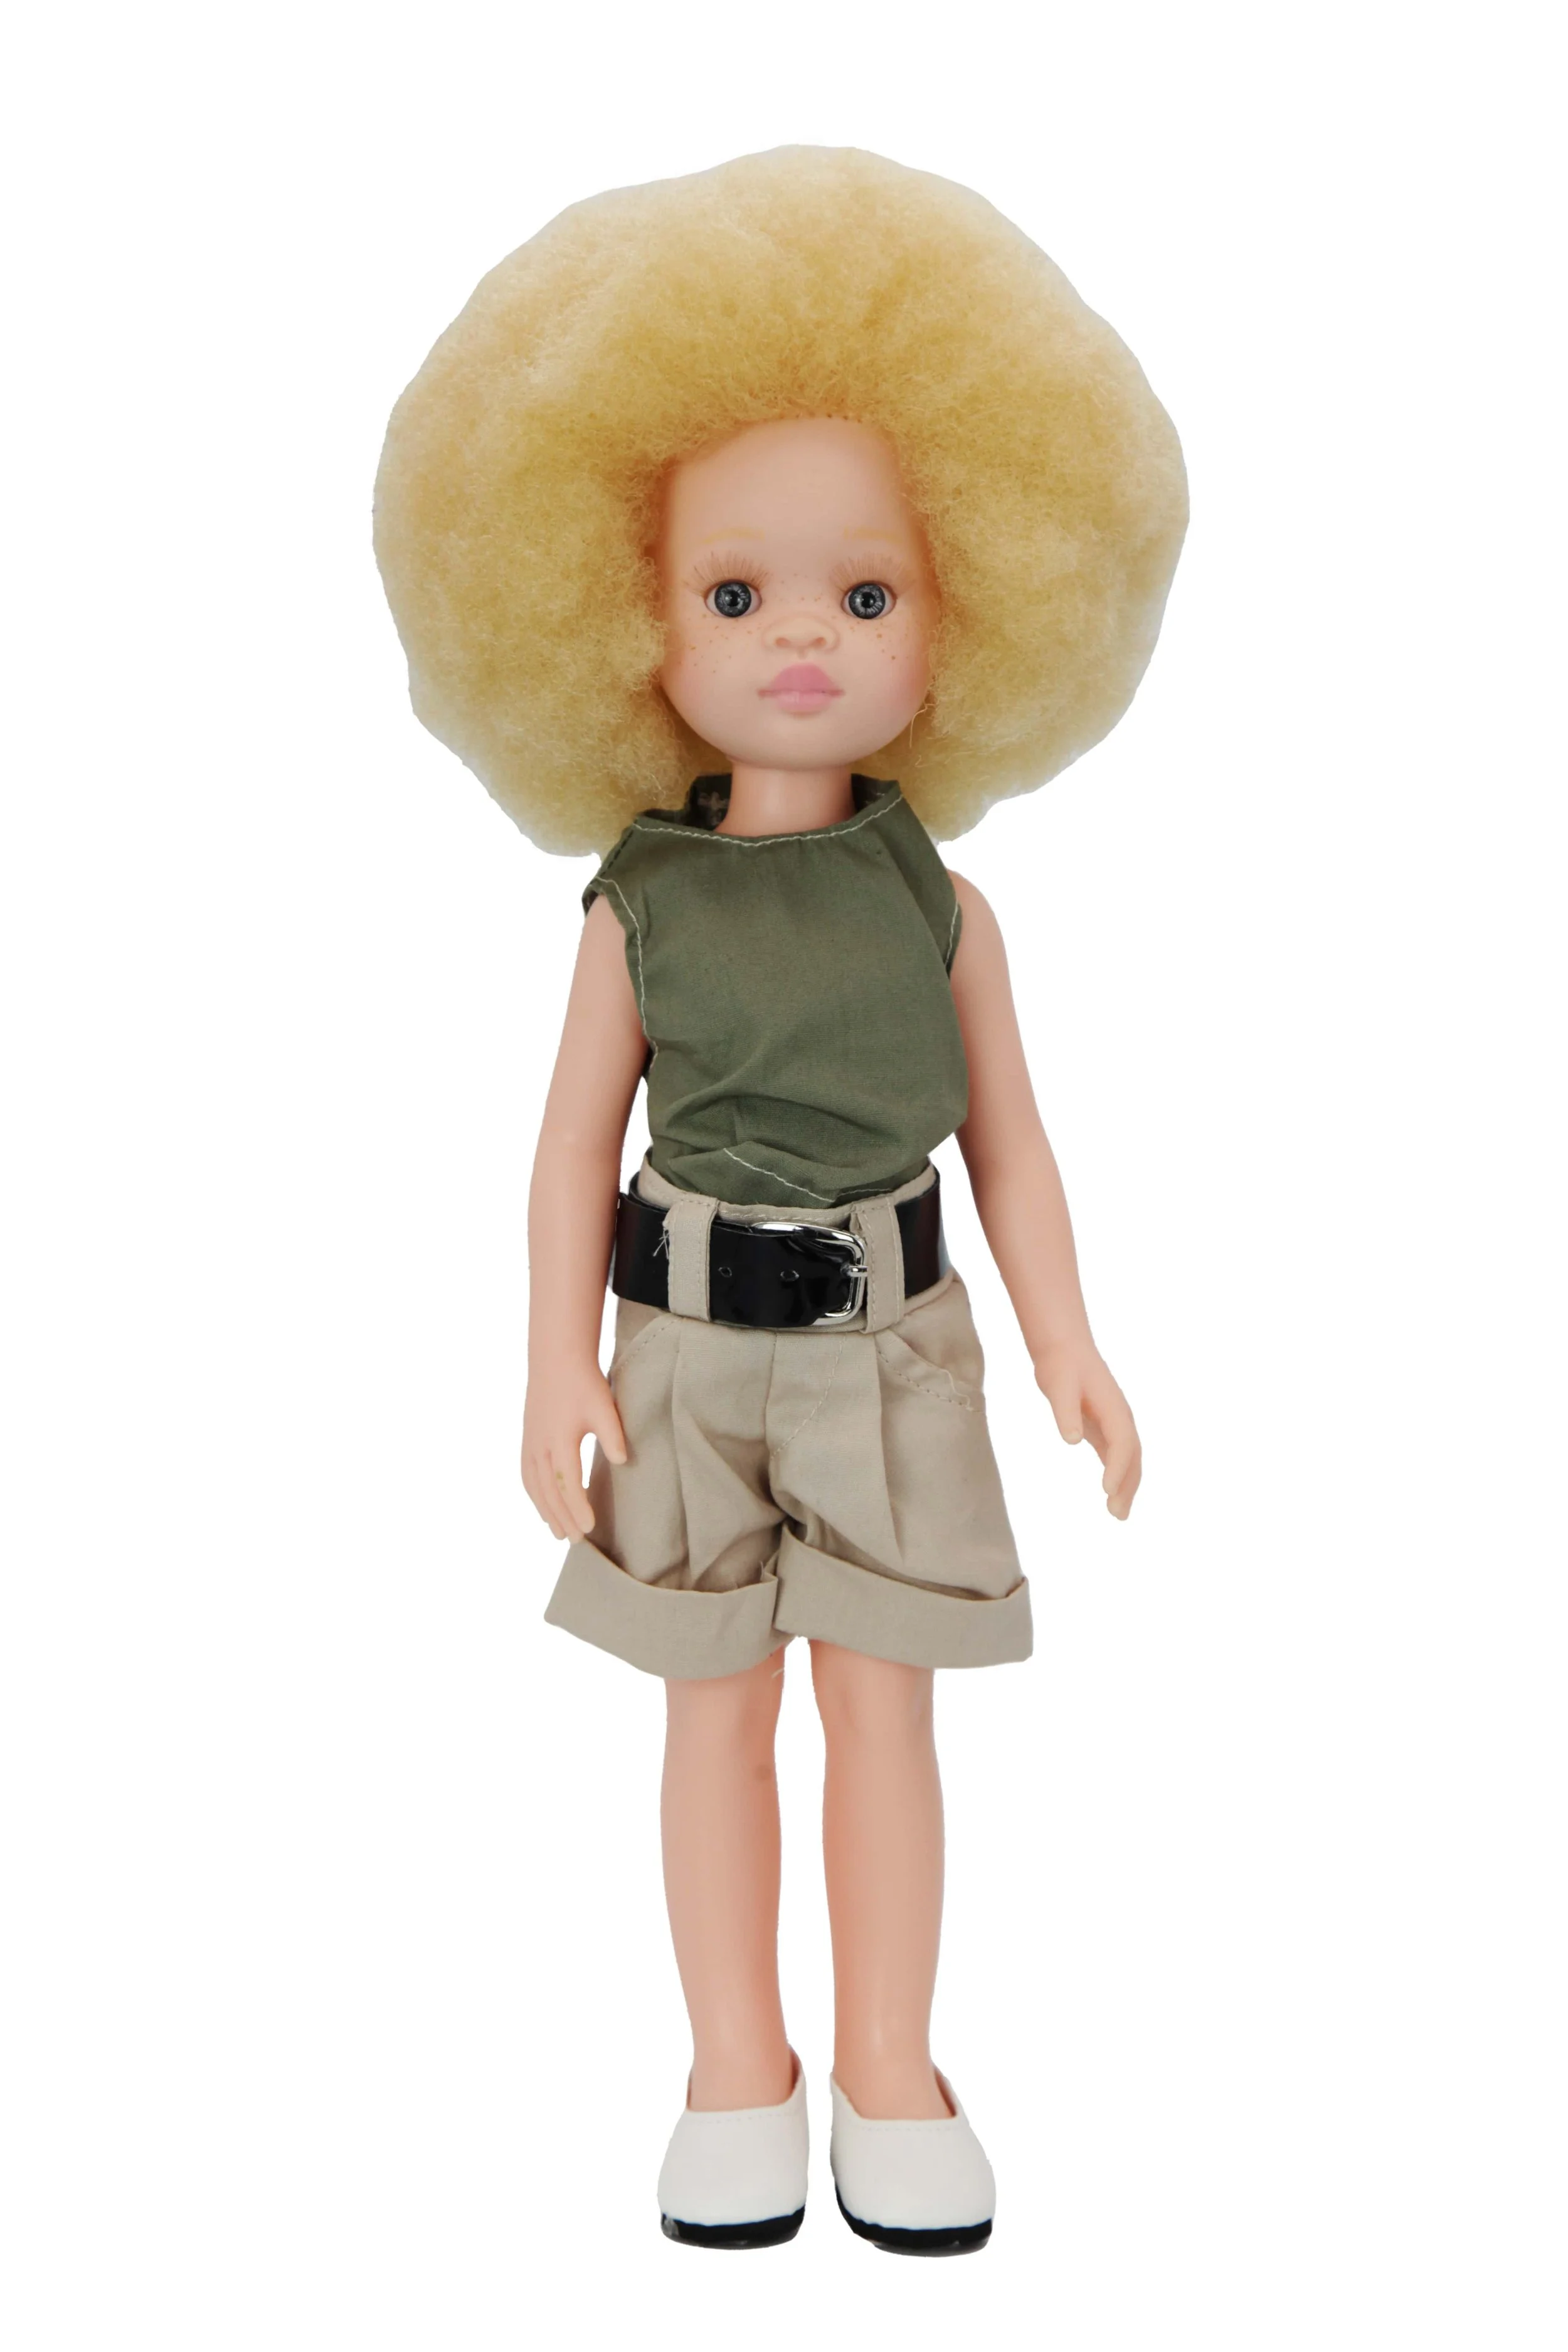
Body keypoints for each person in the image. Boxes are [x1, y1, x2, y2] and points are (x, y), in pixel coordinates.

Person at [374, 144, 1186, 2255]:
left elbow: (1011, 1142)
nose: (803, 635)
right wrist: (554, 1359)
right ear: (627, 618)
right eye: (734, 594)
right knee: (711, 1717)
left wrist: (1070, 1343)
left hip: (894, 1347)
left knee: (882, 1716)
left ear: (966, 611)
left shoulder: (943, 908)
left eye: (864, 592)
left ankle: (892, 2067)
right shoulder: (634, 905)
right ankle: (736, 2066)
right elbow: (569, 1143)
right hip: (680, 1347)